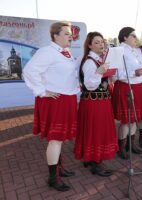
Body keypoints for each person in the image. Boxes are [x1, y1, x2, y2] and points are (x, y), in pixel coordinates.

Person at [23, 21, 79, 191]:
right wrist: (41, 91)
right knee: (55, 140)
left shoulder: (66, 52)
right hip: (55, 100)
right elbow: (29, 71)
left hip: (67, 98)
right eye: (67, 33)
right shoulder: (47, 52)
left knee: (60, 139)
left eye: (70, 33)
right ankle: (53, 178)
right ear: (56, 35)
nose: (71, 36)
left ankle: (59, 169)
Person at [73, 32, 118, 176]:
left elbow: (104, 80)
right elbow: (89, 84)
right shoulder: (89, 62)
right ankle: (96, 163)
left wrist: (107, 73)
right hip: (94, 103)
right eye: (97, 42)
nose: (101, 45)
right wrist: (99, 72)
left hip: (99, 101)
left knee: (94, 130)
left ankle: (90, 158)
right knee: (96, 131)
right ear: (90, 45)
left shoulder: (98, 60)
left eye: (102, 42)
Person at [112, 27, 142, 159]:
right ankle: (121, 147)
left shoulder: (138, 51)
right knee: (126, 120)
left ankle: (131, 144)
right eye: (133, 36)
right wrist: (134, 73)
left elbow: (141, 68)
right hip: (125, 87)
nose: (136, 38)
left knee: (134, 118)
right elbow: (115, 74)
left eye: (135, 35)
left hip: (140, 86)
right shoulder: (118, 51)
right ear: (124, 37)